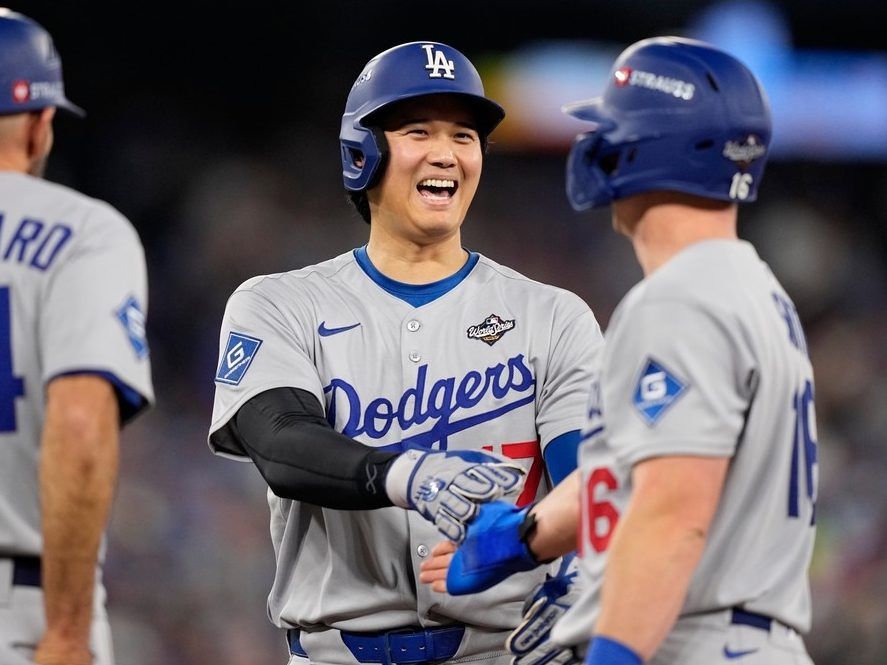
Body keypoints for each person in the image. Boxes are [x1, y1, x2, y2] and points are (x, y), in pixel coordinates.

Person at [421, 36, 819, 665]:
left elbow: (672, 514)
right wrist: (526, 537)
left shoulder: (681, 300)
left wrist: (613, 655)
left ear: (649, 146)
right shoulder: (752, 292)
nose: (596, 148)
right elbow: (652, 471)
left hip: (694, 642)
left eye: (612, 130)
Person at [207, 40, 603, 664]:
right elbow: (280, 440)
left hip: (500, 653)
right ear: (362, 152)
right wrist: (405, 474)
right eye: (418, 130)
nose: (446, 153)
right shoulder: (281, 303)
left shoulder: (551, 317)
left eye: (465, 136)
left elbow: (590, 478)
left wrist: (584, 573)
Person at [0, 9, 154, 665]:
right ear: (40, 124)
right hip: (23, 610)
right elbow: (83, 426)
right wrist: (64, 631)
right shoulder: (83, 232)